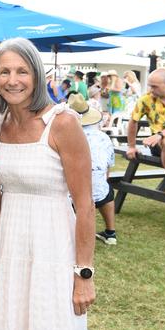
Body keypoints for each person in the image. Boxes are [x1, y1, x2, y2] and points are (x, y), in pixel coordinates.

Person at [0, 37, 96, 330]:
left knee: (49, 325)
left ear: (36, 74)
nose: (12, 80)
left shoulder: (62, 123)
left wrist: (84, 274)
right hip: (9, 245)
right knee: (9, 325)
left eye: (22, 71)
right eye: (4, 72)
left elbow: (85, 205)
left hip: (53, 245)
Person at [127, 68, 165, 199]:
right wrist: (131, 146)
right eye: (149, 86)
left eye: (154, 87)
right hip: (160, 145)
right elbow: (133, 121)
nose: (151, 90)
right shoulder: (145, 99)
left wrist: (160, 134)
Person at [68, 93, 117, 245]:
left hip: (72, 194)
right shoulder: (104, 137)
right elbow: (108, 169)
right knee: (107, 189)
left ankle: (71, 232)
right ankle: (111, 233)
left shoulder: (67, 135)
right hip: (99, 190)